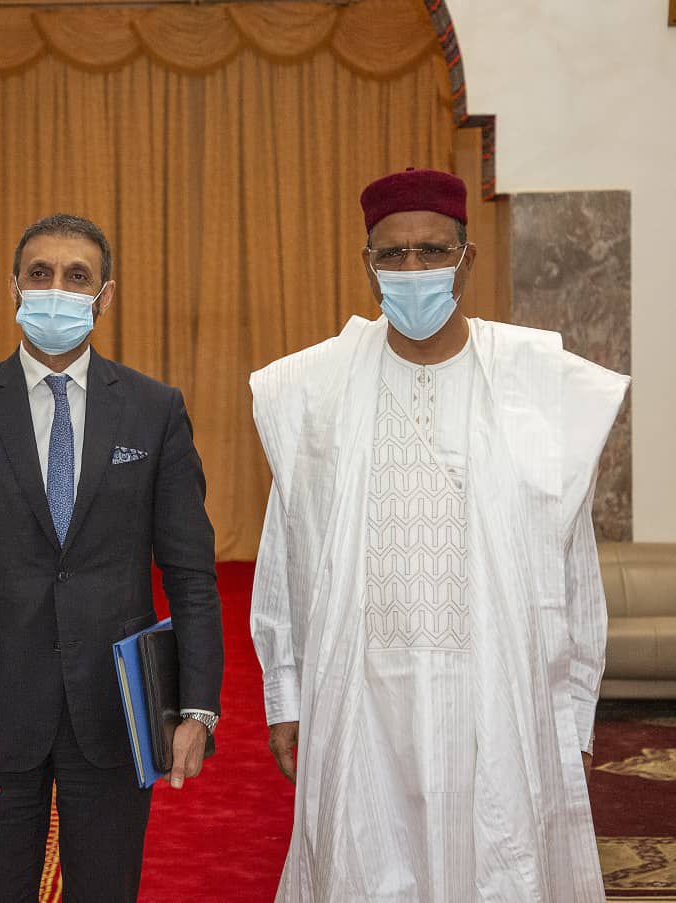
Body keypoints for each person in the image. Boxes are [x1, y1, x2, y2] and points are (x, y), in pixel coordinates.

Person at [249, 168, 629, 902]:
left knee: (497, 866)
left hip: (496, 694)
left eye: (431, 251)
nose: (412, 269)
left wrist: (574, 715)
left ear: (467, 257)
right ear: (367, 264)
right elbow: (285, 549)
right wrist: (284, 693)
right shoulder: (316, 389)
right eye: (392, 255)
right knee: (360, 868)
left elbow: (571, 569)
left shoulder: (534, 386)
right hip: (360, 695)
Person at [0, 213, 223, 903]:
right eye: (39, 273)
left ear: (104, 296)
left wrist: (196, 708)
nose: (56, 289)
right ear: (13, 287)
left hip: (114, 711)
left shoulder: (153, 409)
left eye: (76, 276)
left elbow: (192, 575)